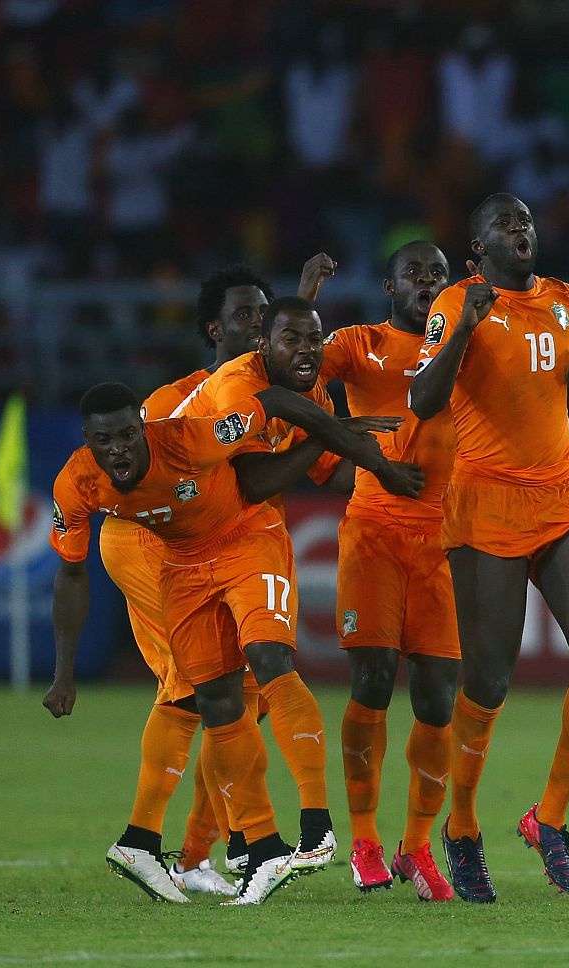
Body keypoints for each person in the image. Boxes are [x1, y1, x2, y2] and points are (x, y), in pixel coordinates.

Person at [44, 382, 411, 905]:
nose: (118, 449)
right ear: (87, 440)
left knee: (268, 660)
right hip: (183, 569)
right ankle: (260, 848)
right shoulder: (77, 482)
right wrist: (63, 672)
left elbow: (275, 401)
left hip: (246, 540)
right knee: (213, 701)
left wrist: (338, 435)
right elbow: (71, 575)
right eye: (105, 440)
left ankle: (317, 828)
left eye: (128, 434)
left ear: (142, 428)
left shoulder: (192, 440)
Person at [409, 193, 569, 902]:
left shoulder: (567, 300)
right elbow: (424, 402)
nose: (521, 229)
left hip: (562, 496)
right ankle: (460, 828)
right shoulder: (454, 304)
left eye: (525, 220)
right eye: (503, 223)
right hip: (485, 503)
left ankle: (548, 819)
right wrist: (462, 332)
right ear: (475, 249)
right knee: (487, 683)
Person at [173, 294, 425, 879]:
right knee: (203, 697)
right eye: (294, 340)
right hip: (175, 542)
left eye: (317, 340)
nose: (308, 350)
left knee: (260, 670)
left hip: (241, 536)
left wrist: (381, 456)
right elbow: (257, 479)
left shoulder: (309, 391)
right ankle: (207, 845)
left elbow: (329, 470)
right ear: (265, 344)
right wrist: (341, 437)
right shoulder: (240, 388)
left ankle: (303, 832)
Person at [95, 261, 325, 899]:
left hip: (227, 546)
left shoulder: (269, 382)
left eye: (263, 314)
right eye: (244, 315)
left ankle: (199, 853)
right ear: (212, 328)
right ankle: (192, 843)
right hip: (155, 542)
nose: (258, 325)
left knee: (237, 695)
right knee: (197, 688)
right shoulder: (179, 402)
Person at [315, 241, 460, 900]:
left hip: (447, 541)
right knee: (372, 682)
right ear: (389, 286)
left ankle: (418, 846)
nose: (427, 282)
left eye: (438, 273)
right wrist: (307, 296)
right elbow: (288, 371)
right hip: (373, 533)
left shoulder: (466, 347)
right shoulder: (357, 343)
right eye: (415, 273)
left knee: (438, 700)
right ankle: (366, 839)